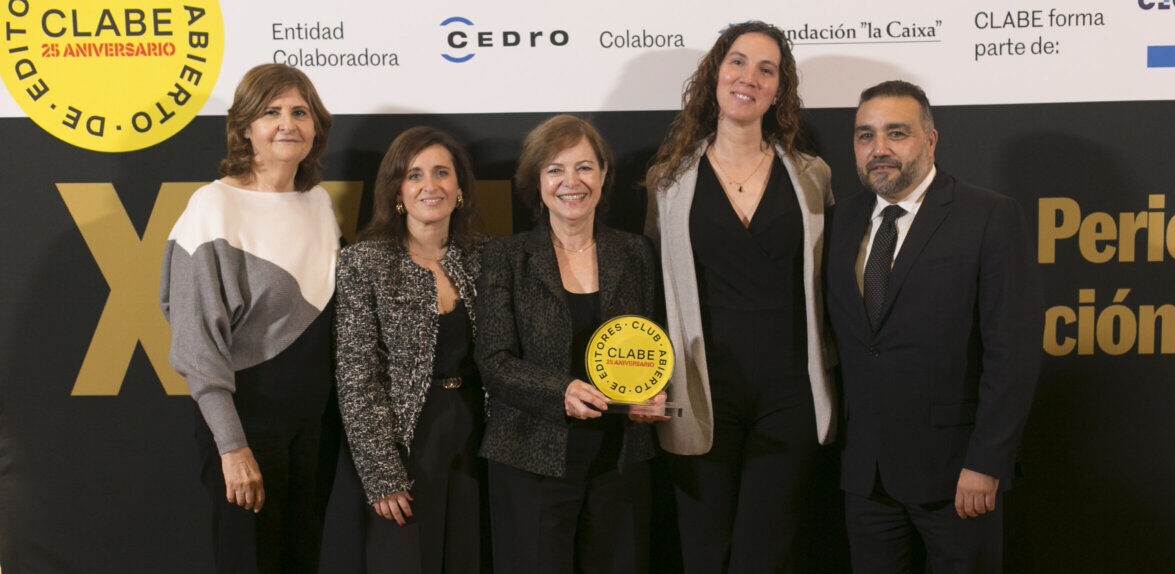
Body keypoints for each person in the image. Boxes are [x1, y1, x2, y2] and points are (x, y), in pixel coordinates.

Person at [825, 80, 1043, 573]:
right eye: (865, 136)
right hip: (866, 477)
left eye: (896, 133)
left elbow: (1013, 353)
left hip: (957, 475)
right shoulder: (839, 221)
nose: (879, 148)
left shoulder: (988, 215)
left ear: (930, 140)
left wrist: (987, 461)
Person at [644, 21, 837, 573]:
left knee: (766, 552)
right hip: (701, 390)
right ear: (715, 75)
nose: (748, 77)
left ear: (779, 91)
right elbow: (654, 289)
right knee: (704, 549)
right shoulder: (667, 181)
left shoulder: (813, 176)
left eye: (765, 69)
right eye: (737, 62)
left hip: (790, 393)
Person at [160, 63, 340, 573]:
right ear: (245, 128)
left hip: (316, 424)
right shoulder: (212, 207)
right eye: (271, 112)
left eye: (300, 112)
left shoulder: (319, 202)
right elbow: (196, 345)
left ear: (316, 126)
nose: (288, 123)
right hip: (247, 422)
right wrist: (233, 446)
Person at [476, 114, 665, 574]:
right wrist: (560, 391)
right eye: (555, 169)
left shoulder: (636, 252)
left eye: (584, 167)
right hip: (530, 460)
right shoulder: (506, 256)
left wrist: (654, 390)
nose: (571, 182)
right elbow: (494, 361)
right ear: (537, 181)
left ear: (603, 174)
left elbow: (653, 342)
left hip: (620, 459)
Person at [335, 126, 488, 573]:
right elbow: (356, 375)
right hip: (406, 439)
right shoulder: (364, 262)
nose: (430, 185)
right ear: (397, 190)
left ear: (459, 187)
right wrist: (382, 473)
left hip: (477, 435)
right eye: (414, 175)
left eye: (442, 172)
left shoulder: (483, 256)